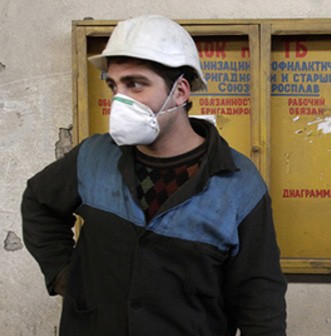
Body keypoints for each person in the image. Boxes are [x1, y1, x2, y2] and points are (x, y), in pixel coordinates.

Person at [21, 15, 287, 336]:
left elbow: (260, 295)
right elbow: (38, 202)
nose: (119, 100)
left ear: (180, 92)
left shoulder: (239, 182)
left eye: (135, 84)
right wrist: (65, 273)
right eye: (113, 85)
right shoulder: (93, 155)